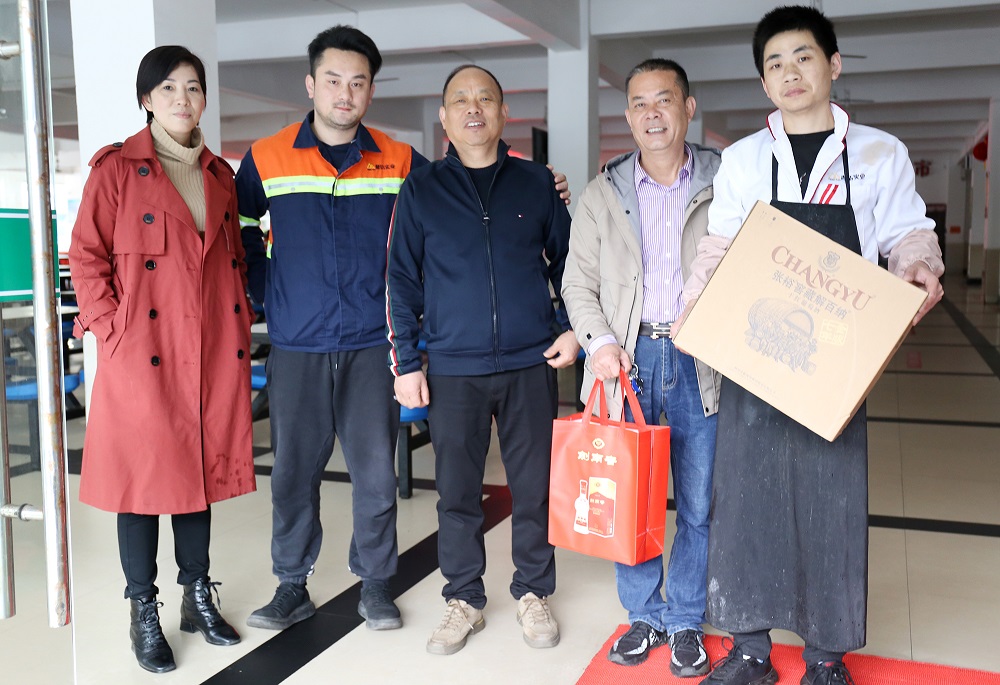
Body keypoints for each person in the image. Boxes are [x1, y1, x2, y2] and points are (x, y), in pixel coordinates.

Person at [236, 27, 570, 633]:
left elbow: (541, 252)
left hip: (377, 343)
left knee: (376, 473)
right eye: (333, 80)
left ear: (371, 91)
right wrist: (269, 295)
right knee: (292, 472)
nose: (345, 93)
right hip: (302, 341)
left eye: (358, 82)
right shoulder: (266, 158)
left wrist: (549, 191)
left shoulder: (403, 164)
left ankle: (376, 584)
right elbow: (242, 237)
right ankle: (292, 583)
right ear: (311, 85)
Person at [674, 7, 944, 685]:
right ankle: (750, 649)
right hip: (756, 347)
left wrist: (918, 266)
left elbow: (908, 233)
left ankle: (826, 654)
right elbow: (719, 247)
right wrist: (694, 306)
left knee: (833, 499)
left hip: (837, 355)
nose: (790, 73)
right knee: (747, 498)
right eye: (775, 64)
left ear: (833, 65)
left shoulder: (879, 153)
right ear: (764, 82)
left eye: (803, 57)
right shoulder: (744, 158)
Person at [68, 46, 255, 674]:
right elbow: (86, 255)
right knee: (143, 482)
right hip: (142, 350)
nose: (183, 98)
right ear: (147, 99)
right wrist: (109, 329)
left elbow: (231, 259)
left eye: (193, 87)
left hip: (208, 345)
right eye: (169, 88)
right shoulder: (116, 170)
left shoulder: (220, 174)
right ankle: (142, 608)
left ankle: (196, 594)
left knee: (196, 477)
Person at [386, 64, 579, 656]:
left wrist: (575, 329)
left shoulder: (537, 183)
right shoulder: (421, 189)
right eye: (461, 100)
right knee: (457, 492)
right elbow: (401, 280)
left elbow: (571, 263)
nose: (474, 108)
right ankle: (464, 598)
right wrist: (407, 363)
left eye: (486, 98)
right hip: (452, 367)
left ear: (503, 112)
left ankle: (533, 590)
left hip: (530, 363)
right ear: (444, 118)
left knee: (534, 487)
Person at [561, 58, 721, 679]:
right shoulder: (601, 195)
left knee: (699, 500)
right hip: (625, 363)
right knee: (628, 498)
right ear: (627, 116)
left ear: (688, 107)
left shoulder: (725, 182)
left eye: (664, 100)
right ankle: (644, 615)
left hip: (702, 360)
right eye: (639, 103)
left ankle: (685, 618)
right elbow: (578, 284)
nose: (652, 114)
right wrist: (599, 343)